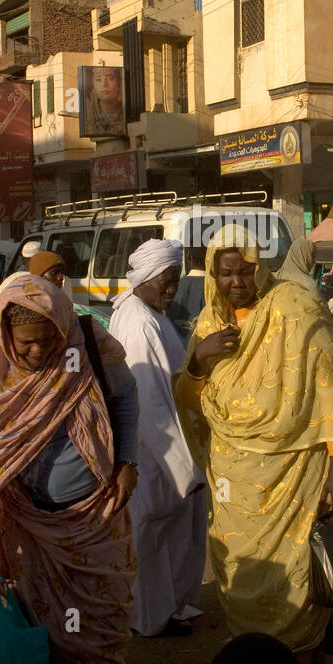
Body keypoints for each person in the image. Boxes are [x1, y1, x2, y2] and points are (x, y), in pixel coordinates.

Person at [0, 274, 140, 664]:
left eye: (47, 338)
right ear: (7, 335)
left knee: (101, 619)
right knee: (42, 623)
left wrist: (127, 459)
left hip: (94, 516)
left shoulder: (85, 342)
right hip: (28, 520)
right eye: (25, 341)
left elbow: (126, 393)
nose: (37, 349)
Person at [172, 224, 333, 660]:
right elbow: (190, 401)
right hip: (233, 481)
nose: (236, 282)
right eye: (225, 273)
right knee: (239, 570)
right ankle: (252, 656)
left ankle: (302, 653)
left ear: (261, 266)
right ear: (212, 275)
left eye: (245, 270)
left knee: (296, 572)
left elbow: (331, 389)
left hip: (293, 472)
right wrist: (199, 360)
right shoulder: (209, 323)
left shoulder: (297, 307)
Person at [108, 239, 207, 638]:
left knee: (169, 533)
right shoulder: (137, 321)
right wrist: (180, 465)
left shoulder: (151, 312)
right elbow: (147, 401)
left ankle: (169, 609)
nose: (172, 290)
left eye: (175, 281)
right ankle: (150, 618)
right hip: (154, 450)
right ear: (146, 278)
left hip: (168, 445)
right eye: (166, 281)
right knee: (151, 535)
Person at [29, 250, 110, 328]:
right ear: (39, 276)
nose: (61, 277)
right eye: (55, 273)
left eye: (61, 272)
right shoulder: (29, 308)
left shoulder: (65, 306)